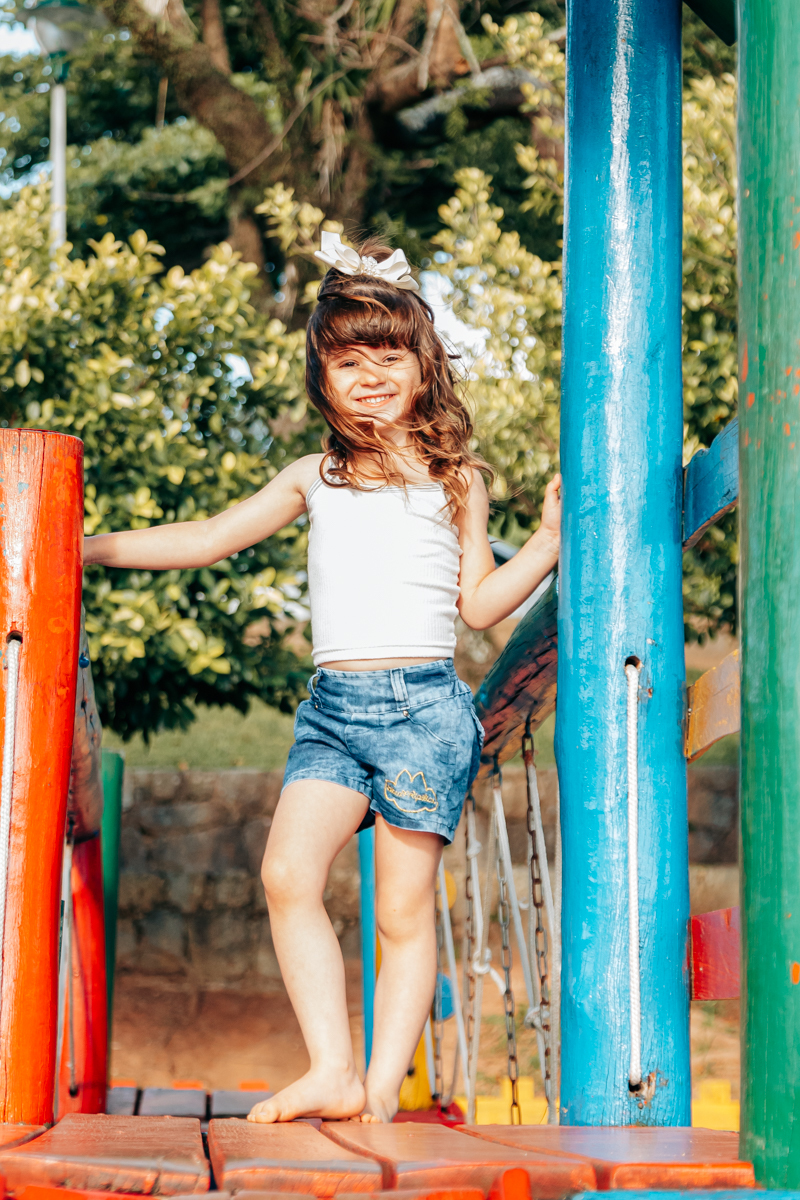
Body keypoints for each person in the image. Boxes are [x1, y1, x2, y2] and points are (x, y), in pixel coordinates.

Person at [84, 233, 561, 1123]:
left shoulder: (456, 481)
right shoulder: (315, 476)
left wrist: (543, 543)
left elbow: (481, 605)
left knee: (401, 910)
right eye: (348, 361)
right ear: (323, 379)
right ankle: (332, 1068)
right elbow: (209, 537)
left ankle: (376, 1094)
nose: (371, 375)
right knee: (287, 874)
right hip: (334, 714)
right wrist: (85, 548)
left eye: (390, 356)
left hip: (423, 710)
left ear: (423, 366)